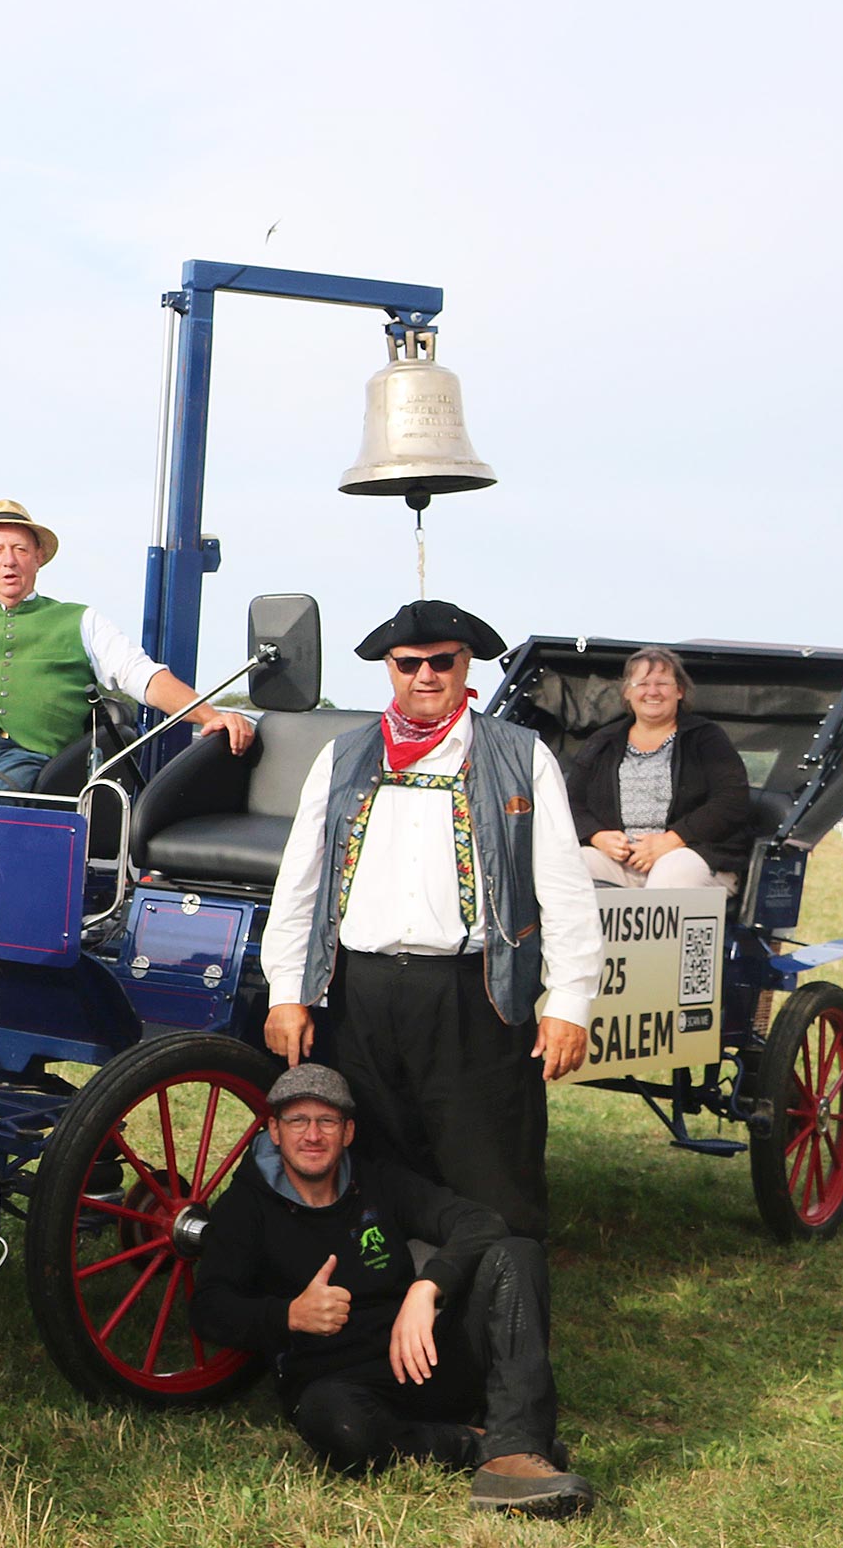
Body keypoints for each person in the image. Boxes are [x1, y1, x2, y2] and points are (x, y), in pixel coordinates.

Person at [260, 599, 601, 1240]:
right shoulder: (343, 757)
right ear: (389, 668)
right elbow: (299, 886)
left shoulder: (520, 756)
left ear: (464, 665)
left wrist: (570, 1001)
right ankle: (386, 1323)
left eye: (441, 662)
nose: (425, 676)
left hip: (475, 998)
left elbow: (564, 888)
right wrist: (287, 994)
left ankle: (493, 1326)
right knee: (375, 1174)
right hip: (361, 996)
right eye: (408, 663)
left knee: (494, 1176)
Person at [194, 1063, 598, 1519]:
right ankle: (487, 1446)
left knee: (517, 1254)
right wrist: (288, 1315)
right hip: (338, 1382)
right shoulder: (245, 1206)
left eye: (326, 1121)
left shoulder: (378, 1180)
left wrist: (427, 1288)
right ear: (273, 1130)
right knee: (339, 1427)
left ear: (347, 1132)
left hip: (420, 1356)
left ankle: (517, 1450)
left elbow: (480, 1222)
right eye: (297, 1121)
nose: (312, 1135)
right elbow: (209, 1309)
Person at [0, 497, 255, 790]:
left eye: (20, 550)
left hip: (24, 761)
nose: (8, 560)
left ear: (38, 558)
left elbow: (142, 676)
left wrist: (208, 715)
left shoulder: (81, 620)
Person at [564, 645, 755, 892]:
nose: (652, 692)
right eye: (642, 684)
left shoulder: (706, 738)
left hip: (690, 855)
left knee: (671, 875)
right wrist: (597, 836)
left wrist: (672, 840)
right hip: (619, 862)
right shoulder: (603, 742)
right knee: (568, 868)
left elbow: (732, 800)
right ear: (627, 693)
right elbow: (571, 801)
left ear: (680, 691)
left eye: (662, 683)